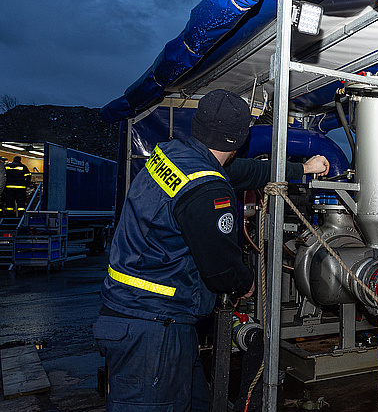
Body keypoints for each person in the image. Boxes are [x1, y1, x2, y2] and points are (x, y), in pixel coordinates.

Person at [94, 89, 330, 411]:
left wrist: (300, 170)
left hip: (142, 317)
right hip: (152, 330)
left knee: (195, 403)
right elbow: (221, 270)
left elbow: (244, 172)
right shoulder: (209, 191)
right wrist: (245, 282)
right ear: (238, 139)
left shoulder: (172, 156)